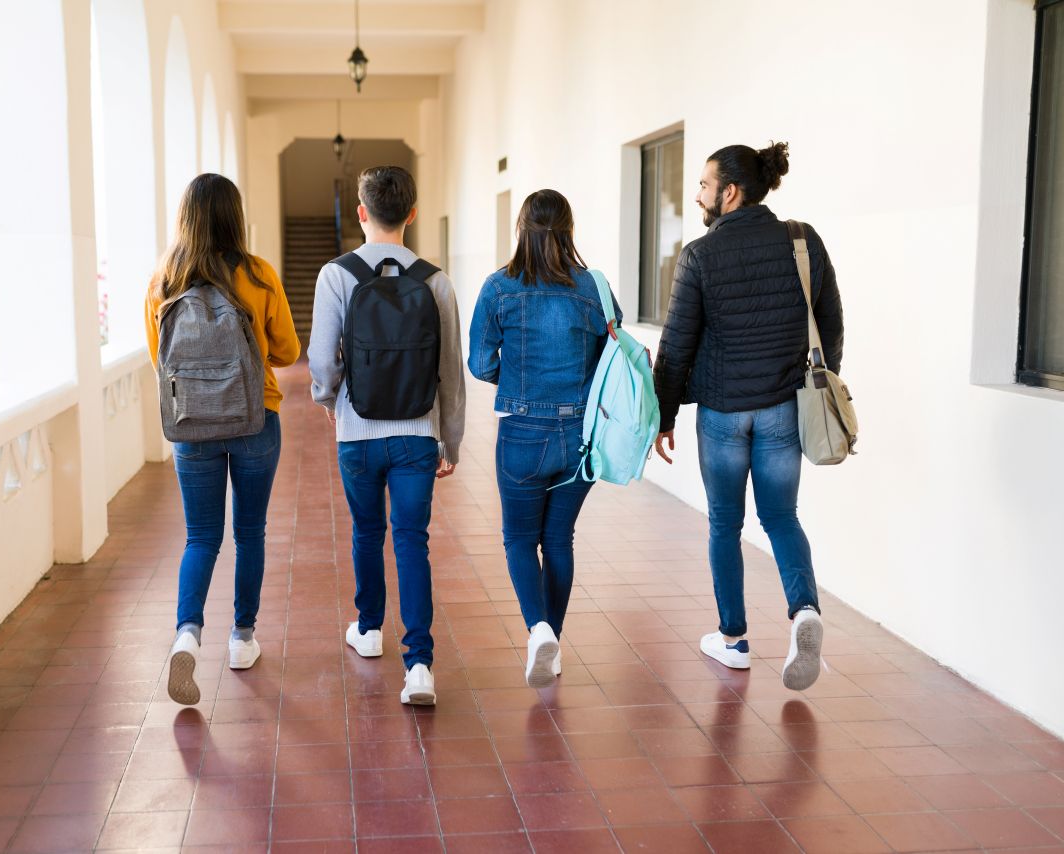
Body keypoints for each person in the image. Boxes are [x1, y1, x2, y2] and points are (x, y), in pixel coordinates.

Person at [652, 142, 843, 691]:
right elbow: (830, 323)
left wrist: (664, 416)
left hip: (722, 415)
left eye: (705, 186)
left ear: (729, 192)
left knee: (724, 523)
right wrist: (816, 384)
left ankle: (733, 639)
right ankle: (804, 609)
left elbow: (677, 345)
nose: (698, 195)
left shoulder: (700, 256)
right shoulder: (803, 241)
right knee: (782, 517)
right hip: (783, 407)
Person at [309, 165, 465, 706]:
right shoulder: (435, 280)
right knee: (412, 540)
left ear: (361, 211)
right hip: (418, 433)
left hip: (358, 432)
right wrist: (452, 439)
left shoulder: (337, 274)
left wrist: (330, 402)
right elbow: (450, 369)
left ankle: (369, 629)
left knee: (365, 530)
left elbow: (322, 360)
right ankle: (419, 665)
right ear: (412, 213)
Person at [144, 173, 300, 705]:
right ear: (235, 216)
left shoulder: (163, 280)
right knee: (249, 532)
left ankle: (188, 633)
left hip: (192, 427)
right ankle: (242, 638)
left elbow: (158, 359)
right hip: (256, 419)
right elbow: (286, 350)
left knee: (200, 536)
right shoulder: (258, 275)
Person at [468, 189, 617, 689]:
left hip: (522, 434)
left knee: (518, 538)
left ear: (521, 230)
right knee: (558, 539)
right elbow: (609, 359)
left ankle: (538, 630)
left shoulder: (499, 287)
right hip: (581, 434)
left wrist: (519, 380)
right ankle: (552, 648)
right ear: (569, 230)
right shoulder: (593, 287)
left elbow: (481, 363)